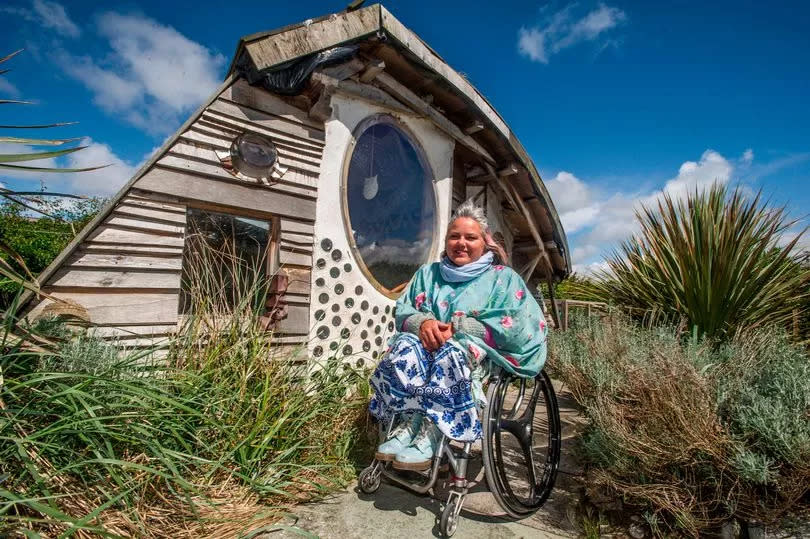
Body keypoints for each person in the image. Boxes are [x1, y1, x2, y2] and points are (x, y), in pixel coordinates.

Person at [368, 200, 549, 471]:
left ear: (484, 243)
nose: (461, 243)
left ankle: (433, 430)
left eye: (470, 237)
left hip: (470, 354)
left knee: (449, 351)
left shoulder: (502, 278)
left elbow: (519, 323)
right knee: (404, 345)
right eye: (454, 236)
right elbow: (404, 309)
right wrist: (422, 323)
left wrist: (461, 328)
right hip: (425, 347)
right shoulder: (428, 274)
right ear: (446, 241)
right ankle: (409, 424)